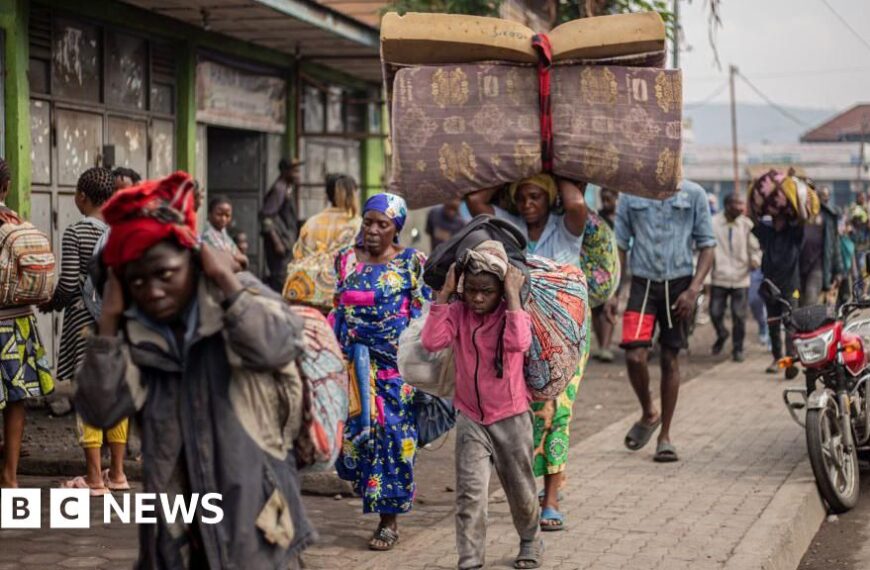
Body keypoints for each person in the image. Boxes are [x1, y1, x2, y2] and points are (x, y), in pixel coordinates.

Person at [74, 171, 312, 568]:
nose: (152, 290)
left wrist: (224, 278)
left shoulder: (241, 299)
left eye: (165, 274)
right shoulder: (132, 336)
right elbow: (101, 410)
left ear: (192, 261)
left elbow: (277, 346)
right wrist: (109, 325)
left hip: (256, 518)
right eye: (137, 281)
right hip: (174, 527)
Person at [467, 174, 587, 531]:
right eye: (521, 198)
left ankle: (550, 499)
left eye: (536, 196)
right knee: (524, 410)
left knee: (557, 411)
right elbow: (476, 201)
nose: (527, 204)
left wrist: (556, 165)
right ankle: (529, 488)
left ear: (550, 198)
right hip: (518, 326)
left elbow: (577, 203)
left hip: (566, 332)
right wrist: (514, 166)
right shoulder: (510, 228)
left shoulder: (567, 227)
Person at [421, 242, 542, 570]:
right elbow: (432, 342)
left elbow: (519, 343)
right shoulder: (459, 311)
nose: (477, 298)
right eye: (471, 290)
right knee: (470, 495)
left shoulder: (511, 313)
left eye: (486, 291)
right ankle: (470, 559)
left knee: (521, 491)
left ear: (500, 289)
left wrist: (513, 297)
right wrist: (444, 294)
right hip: (471, 417)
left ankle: (530, 538)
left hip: (511, 417)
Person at [333, 193, 431, 551]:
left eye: (382, 224)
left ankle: (388, 522)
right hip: (352, 365)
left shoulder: (411, 263)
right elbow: (337, 308)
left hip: (394, 369)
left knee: (392, 439)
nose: (373, 230)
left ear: (397, 229)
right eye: (368, 222)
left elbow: (423, 314)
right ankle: (366, 490)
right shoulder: (344, 260)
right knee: (356, 438)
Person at [613, 180, 715, 463]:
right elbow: (619, 245)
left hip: (679, 285)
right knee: (634, 356)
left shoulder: (694, 194)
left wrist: (693, 290)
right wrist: (614, 292)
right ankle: (649, 412)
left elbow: (707, 246)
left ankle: (665, 437)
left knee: (670, 359)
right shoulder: (630, 193)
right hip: (641, 285)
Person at [40, 167, 127, 495]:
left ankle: (93, 478)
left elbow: (69, 284)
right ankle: (117, 474)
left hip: (85, 325)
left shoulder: (76, 232)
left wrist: (51, 303)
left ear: (82, 197)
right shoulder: (119, 230)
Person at [0, 159, 54, 487]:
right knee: (16, 398)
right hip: (18, 322)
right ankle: (10, 475)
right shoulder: (17, 223)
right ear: (6, 187)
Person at [709, 193, 761, 363]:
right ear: (727, 204)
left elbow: (755, 248)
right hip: (719, 276)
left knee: (739, 316)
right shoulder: (713, 223)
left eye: (742, 204)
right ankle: (722, 333)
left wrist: (755, 260)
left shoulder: (746, 225)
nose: (741, 207)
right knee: (715, 312)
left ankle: (738, 349)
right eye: (737, 203)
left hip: (741, 277)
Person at [753, 215, 803, 374]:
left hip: (791, 286)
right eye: (775, 218)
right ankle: (777, 358)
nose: (778, 221)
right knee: (773, 324)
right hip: (770, 284)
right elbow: (753, 219)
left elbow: (802, 219)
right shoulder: (767, 232)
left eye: (781, 218)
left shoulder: (794, 233)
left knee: (790, 322)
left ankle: (790, 359)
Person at [292, 174, 360, 260]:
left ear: (327, 196)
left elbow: (299, 255)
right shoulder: (358, 224)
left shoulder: (311, 223)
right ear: (353, 195)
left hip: (313, 272)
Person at [798, 186, 843, 307]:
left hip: (817, 268)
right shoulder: (798, 216)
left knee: (810, 300)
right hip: (797, 269)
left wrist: (838, 270)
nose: (825, 199)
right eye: (822, 196)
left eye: (827, 196)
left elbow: (834, 245)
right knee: (796, 300)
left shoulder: (827, 218)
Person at [261, 158, 302, 291]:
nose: (297, 174)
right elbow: (265, 216)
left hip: (286, 242)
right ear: (285, 171)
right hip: (280, 246)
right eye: (294, 171)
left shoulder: (287, 188)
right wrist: (277, 242)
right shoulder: (279, 189)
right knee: (280, 280)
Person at [201, 195, 249, 270]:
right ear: (209, 214)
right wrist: (241, 261)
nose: (224, 219)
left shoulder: (223, 232)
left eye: (227, 215)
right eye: (219, 214)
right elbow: (225, 263)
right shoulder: (208, 235)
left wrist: (236, 257)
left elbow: (237, 253)